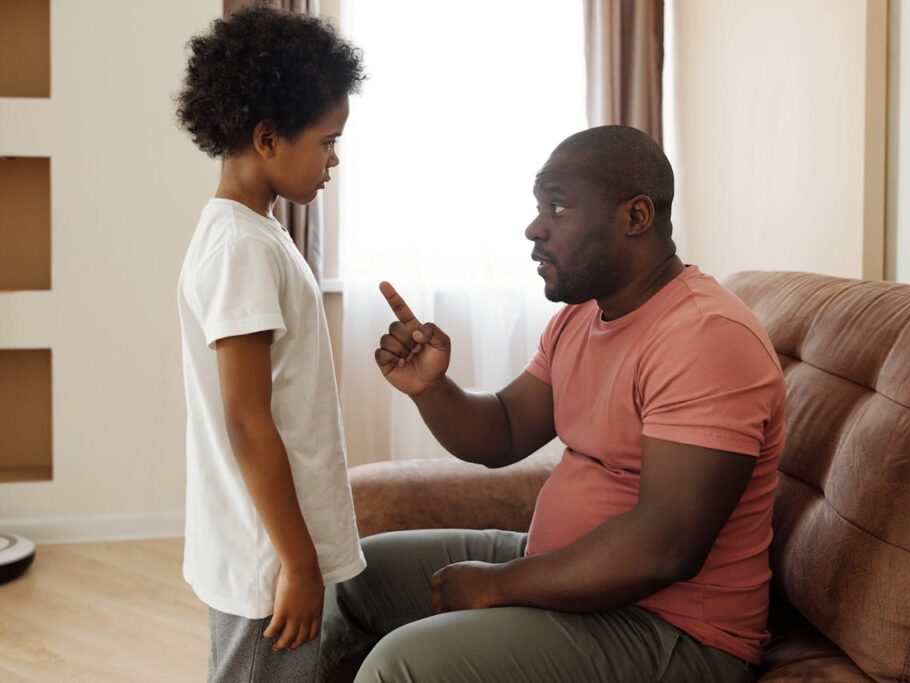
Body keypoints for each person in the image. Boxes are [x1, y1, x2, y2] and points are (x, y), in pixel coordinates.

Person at [318, 125, 786, 683]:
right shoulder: (581, 316)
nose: (534, 228)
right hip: (570, 577)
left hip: (673, 631)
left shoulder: (704, 337)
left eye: (558, 208)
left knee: (405, 666)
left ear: (635, 217)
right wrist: (430, 388)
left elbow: (667, 546)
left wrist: (498, 583)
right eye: (538, 207)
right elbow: (505, 432)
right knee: (353, 579)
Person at [175, 7, 366, 681]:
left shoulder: (256, 233)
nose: (335, 159)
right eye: (327, 140)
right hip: (267, 556)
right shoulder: (240, 249)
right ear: (265, 137)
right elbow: (248, 419)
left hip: (272, 544)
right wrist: (298, 562)